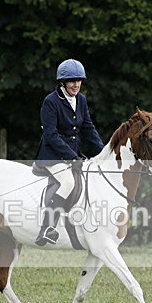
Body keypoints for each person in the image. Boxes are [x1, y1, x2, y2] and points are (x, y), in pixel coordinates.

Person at [34, 59, 104, 246]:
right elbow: (51, 134)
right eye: (72, 80)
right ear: (63, 82)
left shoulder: (81, 100)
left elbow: (88, 129)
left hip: (73, 154)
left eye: (79, 80)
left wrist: (105, 153)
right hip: (52, 155)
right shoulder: (51, 101)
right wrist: (72, 157)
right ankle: (47, 228)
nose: (76, 84)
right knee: (68, 182)